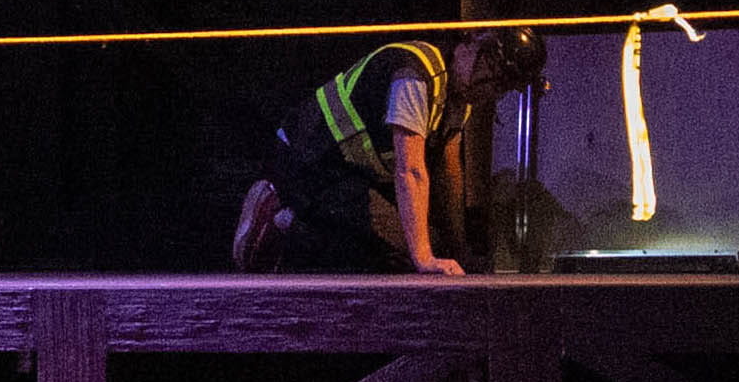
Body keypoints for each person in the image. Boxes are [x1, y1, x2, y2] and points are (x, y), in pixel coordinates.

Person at [233, 27, 545, 275]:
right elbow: (410, 169)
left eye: (503, 86)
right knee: (401, 252)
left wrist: (457, 250)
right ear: (472, 46)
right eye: (492, 72)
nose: (491, 89)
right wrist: (424, 259)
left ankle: (299, 222)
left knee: (426, 245)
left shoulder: (458, 97)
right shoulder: (416, 73)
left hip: (347, 172)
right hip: (305, 160)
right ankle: (276, 212)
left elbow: (449, 174)